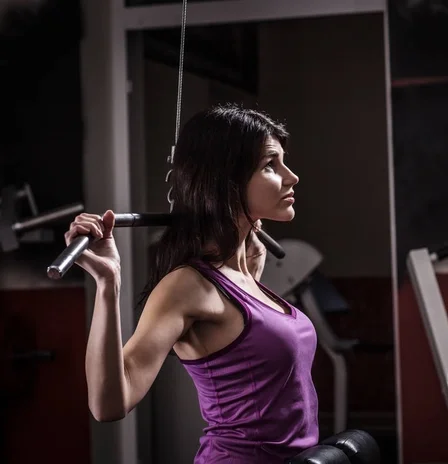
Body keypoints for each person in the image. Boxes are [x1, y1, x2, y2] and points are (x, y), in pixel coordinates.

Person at [64, 104, 319, 463]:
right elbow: (109, 405)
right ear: (226, 179)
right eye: (269, 165)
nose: (290, 177)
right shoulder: (187, 286)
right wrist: (109, 285)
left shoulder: (246, 275)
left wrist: (247, 258)